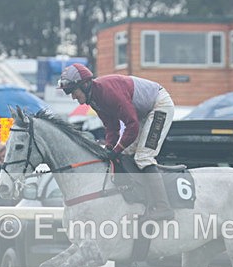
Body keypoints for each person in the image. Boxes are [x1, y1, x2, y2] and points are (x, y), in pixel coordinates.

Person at [58, 63, 175, 220]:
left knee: (143, 157)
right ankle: (145, 200)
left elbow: (132, 126)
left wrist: (116, 149)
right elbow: (111, 127)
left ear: (85, 85)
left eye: (73, 92)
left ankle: (163, 207)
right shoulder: (93, 99)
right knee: (125, 154)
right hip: (144, 112)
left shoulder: (107, 92)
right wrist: (109, 148)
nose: (73, 97)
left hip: (159, 105)